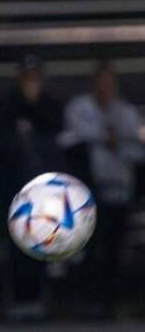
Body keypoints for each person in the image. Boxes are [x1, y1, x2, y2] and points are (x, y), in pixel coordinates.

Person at [60, 62, 144, 318]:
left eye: (111, 83)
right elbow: (72, 139)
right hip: (88, 189)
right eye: (102, 82)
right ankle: (88, 298)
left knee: (115, 244)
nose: (106, 88)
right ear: (94, 83)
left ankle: (110, 300)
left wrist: (117, 142)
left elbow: (137, 150)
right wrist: (105, 138)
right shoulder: (80, 109)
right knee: (91, 244)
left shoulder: (126, 113)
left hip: (119, 187)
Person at [0, 54, 64, 319]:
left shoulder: (48, 102)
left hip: (42, 186)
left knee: (43, 240)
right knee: (16, 244)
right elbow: (0, 141)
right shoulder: (6, 103)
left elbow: (56, 128)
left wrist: (34, 105)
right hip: (15, 186)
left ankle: (41, 297)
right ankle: (18, 299)